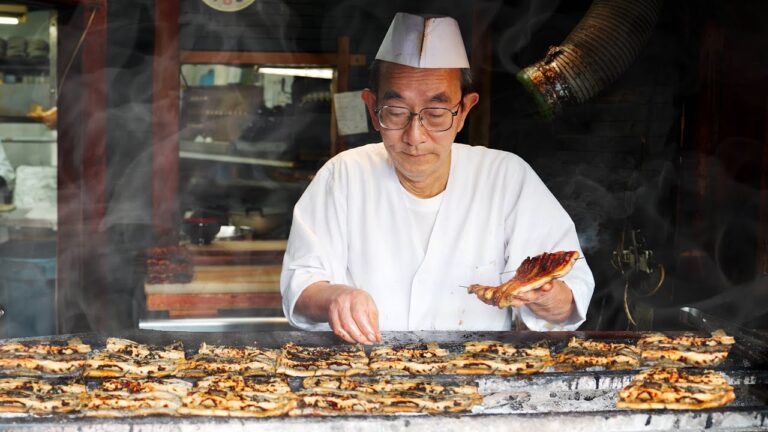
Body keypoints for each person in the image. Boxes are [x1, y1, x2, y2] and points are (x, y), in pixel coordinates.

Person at [281, 12, 594, 344]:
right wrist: (334, 297)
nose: (415, 136)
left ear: (464, 113)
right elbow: (301, 285)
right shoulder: (342, 175)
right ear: (373, 109)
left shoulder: (506, 177)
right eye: (397, 112)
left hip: (481, 381)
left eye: (436, 113)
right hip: (364, 382)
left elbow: (570, 299)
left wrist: (546, 298)